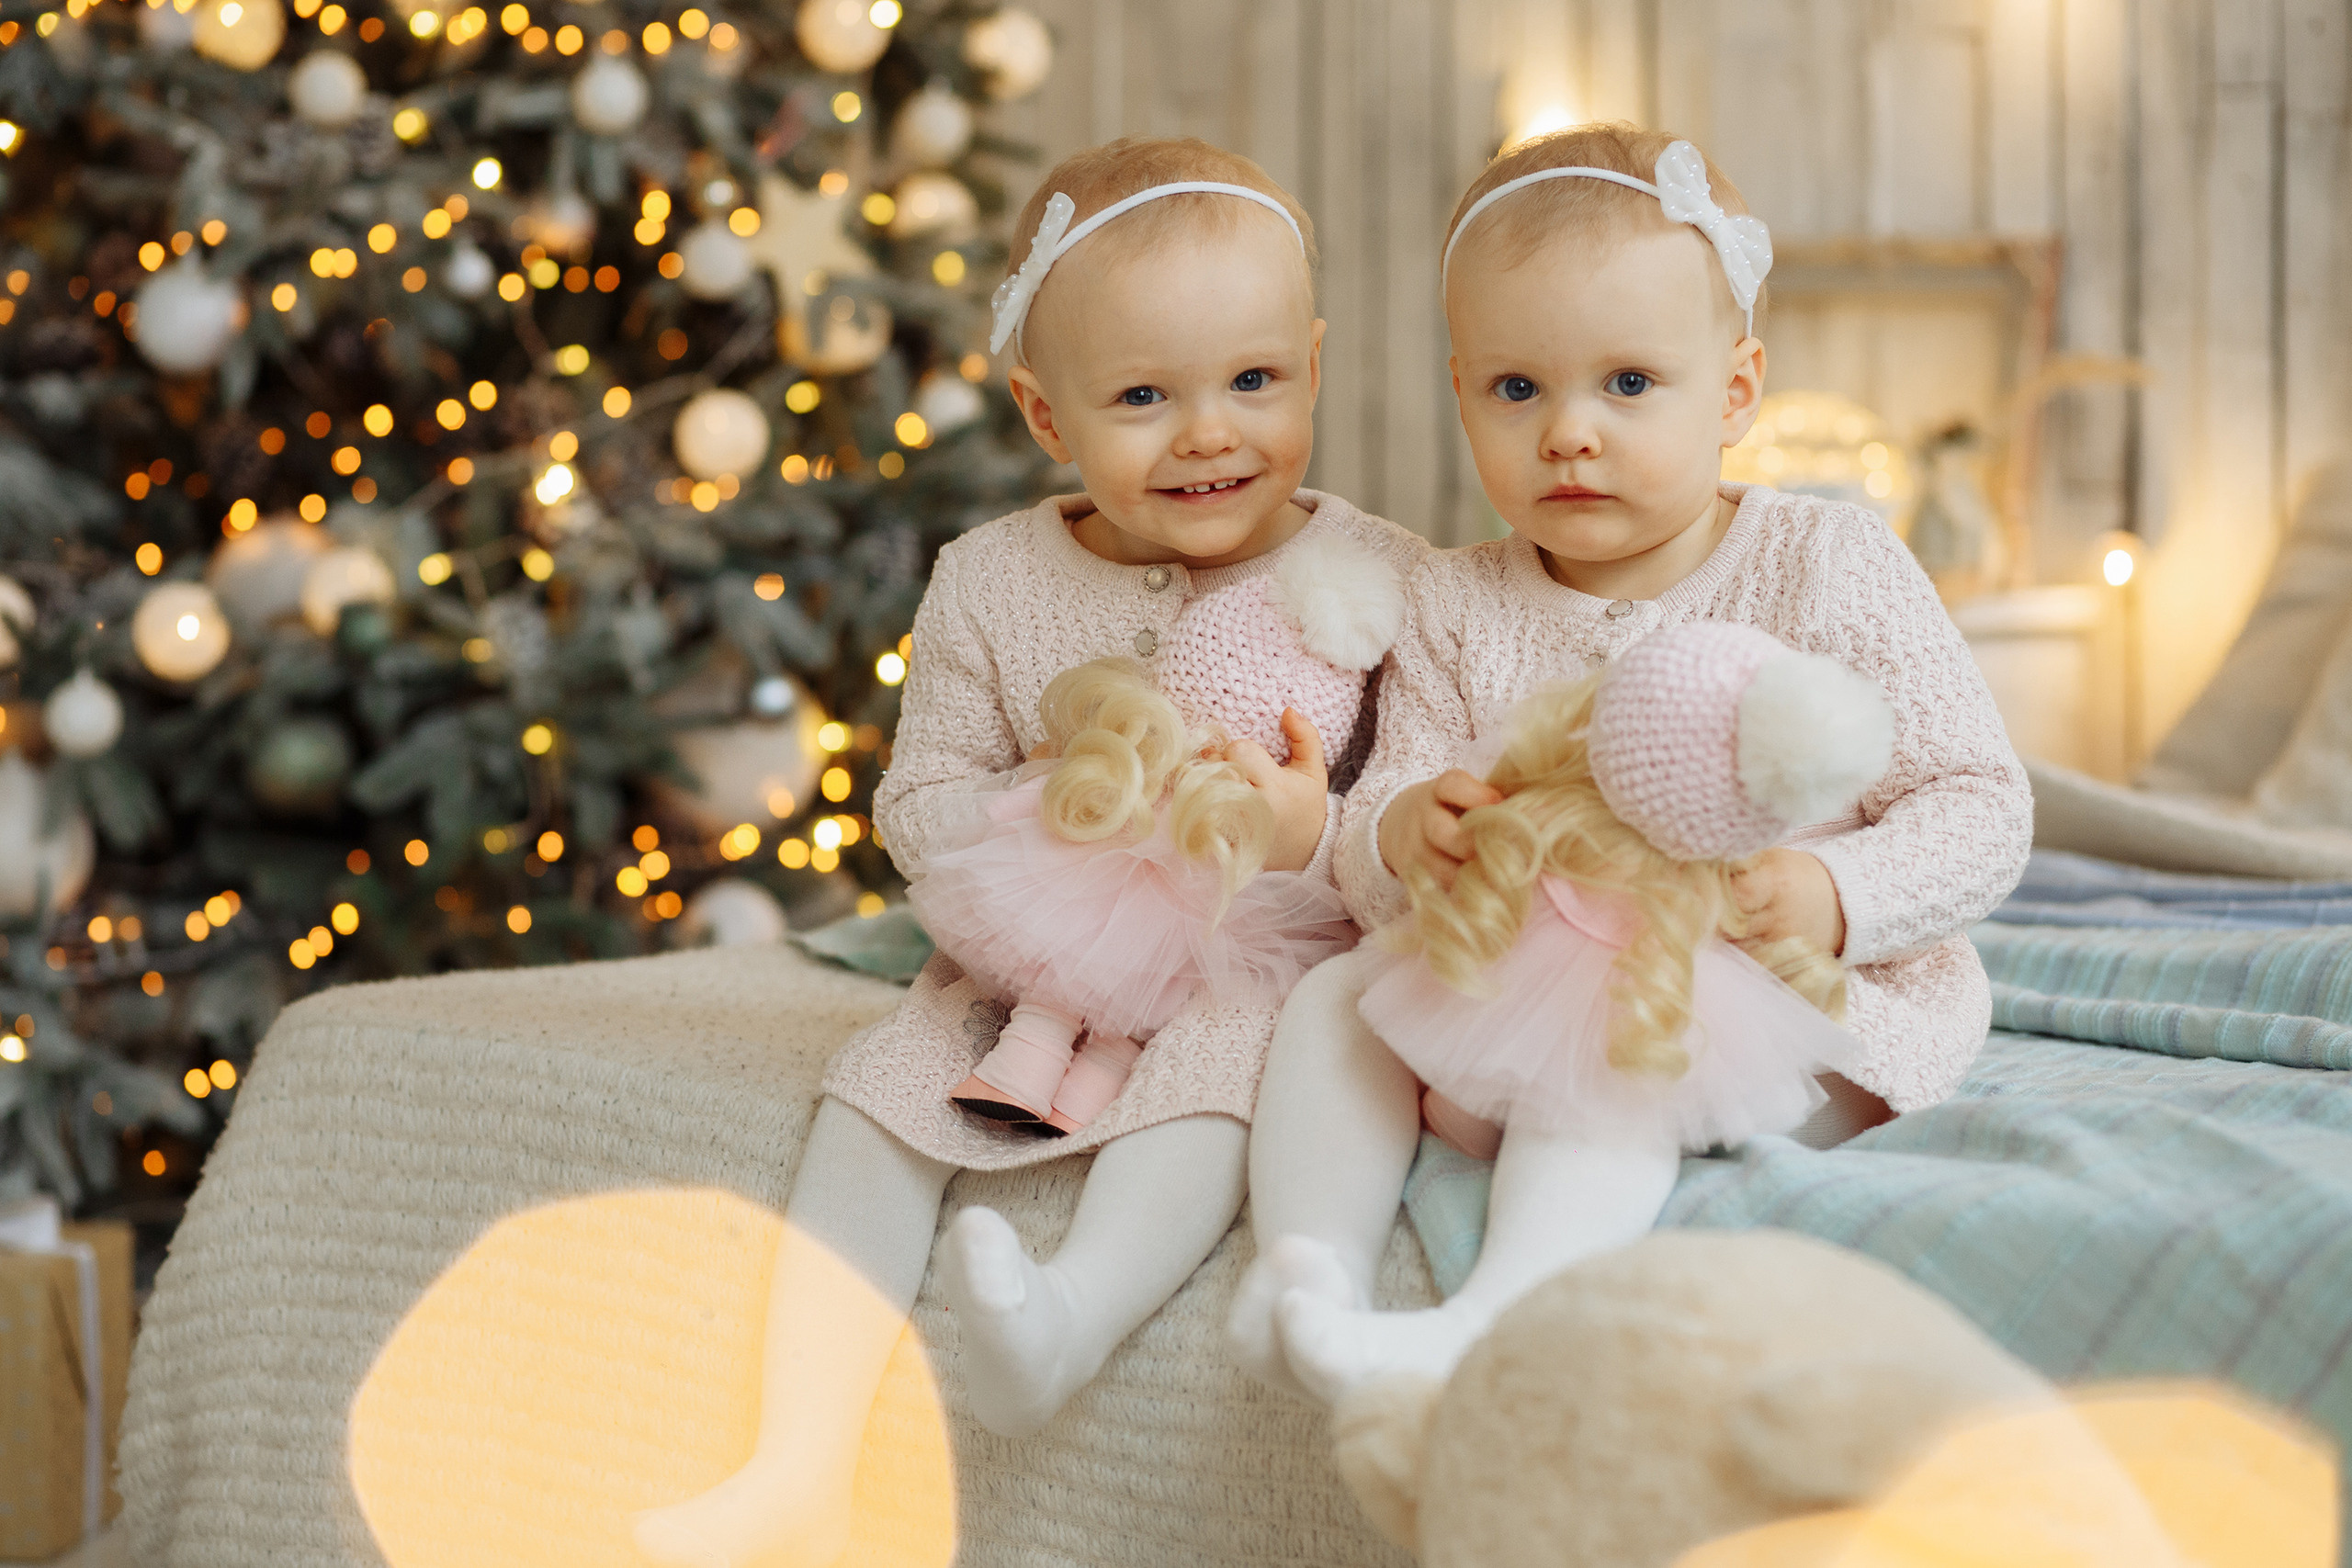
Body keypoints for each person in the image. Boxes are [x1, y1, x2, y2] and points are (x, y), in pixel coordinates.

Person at [634, 135, 1427, 1567]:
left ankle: (1068, 1320)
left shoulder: (1376, 574)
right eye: (1141, 397)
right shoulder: (992, 578)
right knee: (878, 1093)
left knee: (1219, 1085)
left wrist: (1313, 828)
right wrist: (1048, 815)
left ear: (1311, 363)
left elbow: (1423, 819)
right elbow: (917, 797)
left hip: (1258, 952)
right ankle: (795, 1461)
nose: (1208, 434)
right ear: (1042, 410)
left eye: (1255, 381)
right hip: (1031, 960)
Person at [1227, 123, 2032, 1407]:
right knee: (1332, 1006)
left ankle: (1494, 1318)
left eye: (1630, 384)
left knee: (1621, 1020)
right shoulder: (1454, 599)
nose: (1569, 436)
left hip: (1772, 997)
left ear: (1738, 390)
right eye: (1517, 391)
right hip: (1502, 983)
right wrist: (1401, 833)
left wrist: (1834, 900)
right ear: (1461, 392)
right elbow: (1385, 809)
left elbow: (1982, 808)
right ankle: (1304, 1277)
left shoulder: (1824, 566)